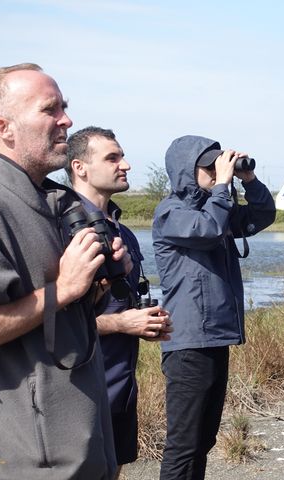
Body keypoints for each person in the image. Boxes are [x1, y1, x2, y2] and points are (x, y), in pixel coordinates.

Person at [0, 64, 123, 479]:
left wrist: (94, 283)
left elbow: (62, 315)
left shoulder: (57, 203)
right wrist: (63, 289)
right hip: (13, 465)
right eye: (49, 109)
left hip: (74, 452)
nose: (66, 120)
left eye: (64, 107)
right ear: (5, 128)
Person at [152, 134, 276, 479]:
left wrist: (248, 180)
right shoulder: (172, 212)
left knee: (202, 440)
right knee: (183, 445)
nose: (216, 171)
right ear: (186, 172)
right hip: (189, 341)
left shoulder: (217, 208)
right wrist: (223, 186)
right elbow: (206, 230)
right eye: (208, 166)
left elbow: (263, 215)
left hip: (215, 337)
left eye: (218, 164)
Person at [65, 126, 174, 471]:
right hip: (76, 393)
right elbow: (50, 323)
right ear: (80, 167)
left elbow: (121, 303)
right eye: (112, 158)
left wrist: (146, 323)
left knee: (114, 469)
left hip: (120, 385)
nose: (125, 164)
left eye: (122, 156)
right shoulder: (61, 229)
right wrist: (122, 323)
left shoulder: (122, 232)